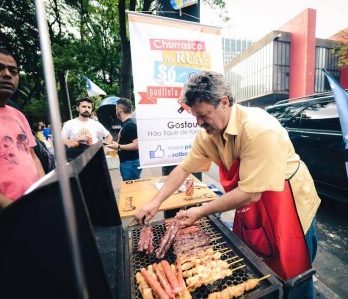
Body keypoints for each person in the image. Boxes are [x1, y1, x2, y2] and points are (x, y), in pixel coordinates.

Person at [135, 71, 321, 298]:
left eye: (204, 115)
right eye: (195, 116)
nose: (199, 123)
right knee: (257, 263)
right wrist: (155, 202)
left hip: (286, 203)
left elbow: (251, 193)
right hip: (251, 200)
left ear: (224, 102)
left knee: (295, 276)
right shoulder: (207, 133)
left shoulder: (259, 129)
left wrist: (201, 211)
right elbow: (184, 168)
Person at [0, 47, 45, 241]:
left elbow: (32, 157)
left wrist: (44, 196)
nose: (7, 75)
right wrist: (12, 208)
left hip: (29, 215)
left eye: (13, 71)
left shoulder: (17, 114)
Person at [106, 98, 142, 180]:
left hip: (130, 163)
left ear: (119, 110)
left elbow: (136, 145)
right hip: (129, 162)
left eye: (116, 109)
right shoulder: (128, 123)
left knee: (131, 189)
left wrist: (118, 146)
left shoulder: (130, 124)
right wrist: (116, 145)